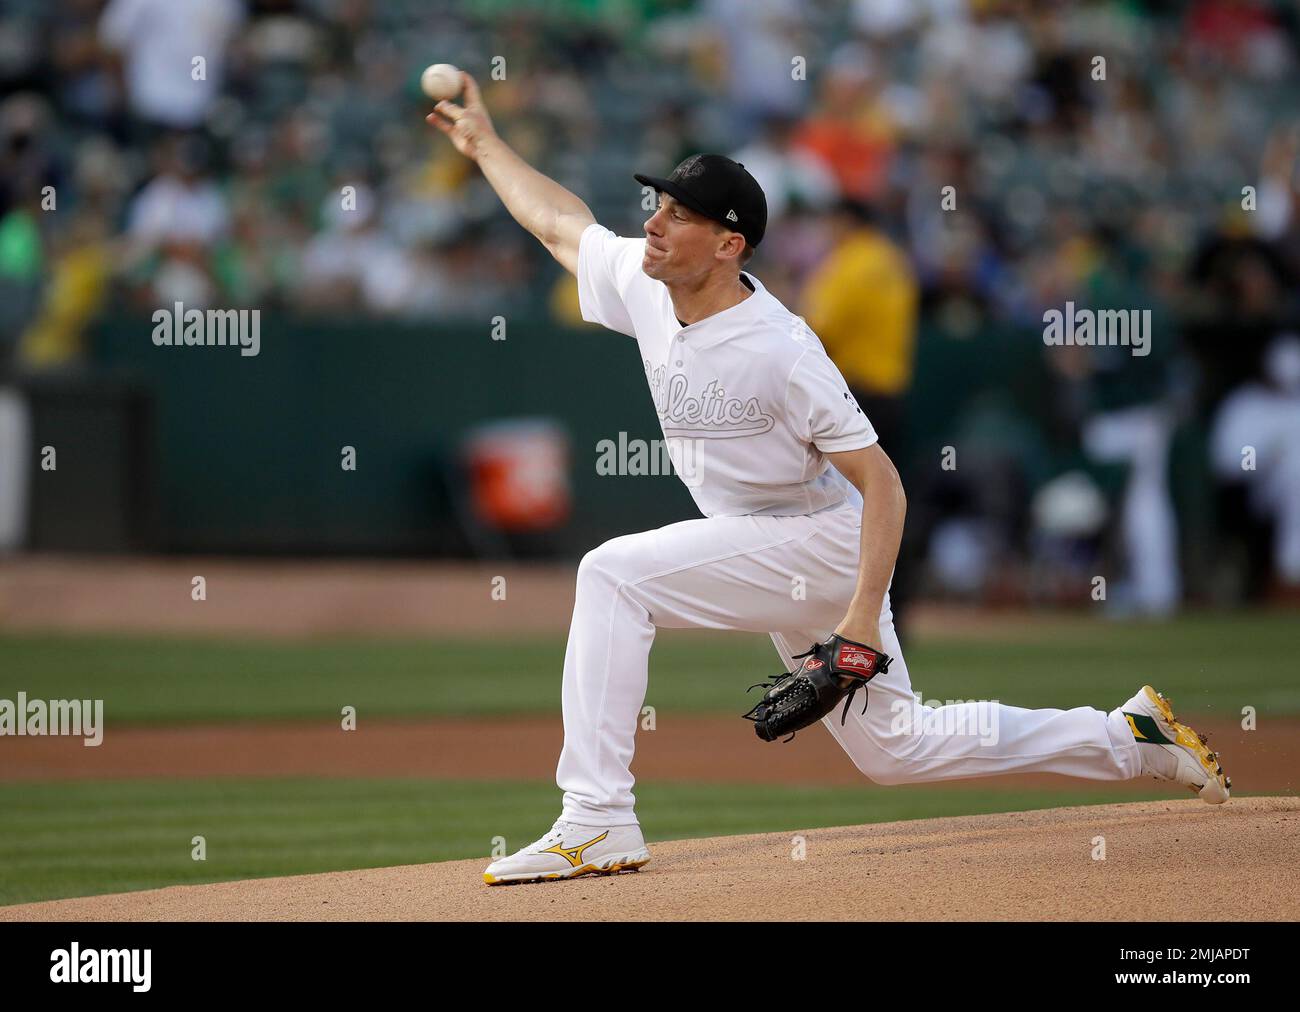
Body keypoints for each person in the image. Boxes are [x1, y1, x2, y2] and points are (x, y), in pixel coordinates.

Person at [426, 73, 1232, 886]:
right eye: (658, 205)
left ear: (729, 244)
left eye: (679, 213)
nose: (655, 223)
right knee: (897, 749)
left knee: (611, 576)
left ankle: (596, 817)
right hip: (778, 542)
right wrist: (485, 143)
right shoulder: (644, 277)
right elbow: (563, 227)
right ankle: (1129, 738)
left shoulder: (782, 347)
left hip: (821, 539)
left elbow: (884, 484)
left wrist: (862, 620)